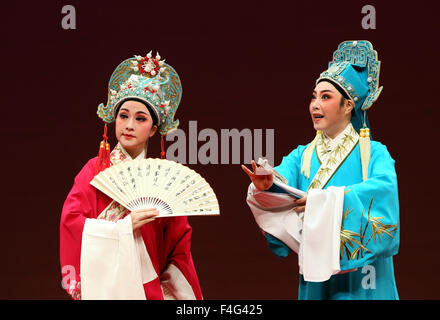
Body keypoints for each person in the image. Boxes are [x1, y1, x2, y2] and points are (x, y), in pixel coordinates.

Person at [242, 40, 400, 299]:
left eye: (326, 97)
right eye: (313, 97)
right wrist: (265, 186)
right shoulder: (302, 156)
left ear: (348, 105)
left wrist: (322, 201)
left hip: (364, 277)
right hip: (318, 273)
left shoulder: (373, 153)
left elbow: (383, 193)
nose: (315, 104)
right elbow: (280, 185)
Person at [60, 52, 203, 300]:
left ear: (153, 129)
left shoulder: (163, 181)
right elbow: (71, 224)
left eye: (140, 119)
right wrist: (123, 228)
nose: (128, 125)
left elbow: (178, 247)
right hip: (103, 287)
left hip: (149, 290)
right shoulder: (93, 170)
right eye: (123, 116)